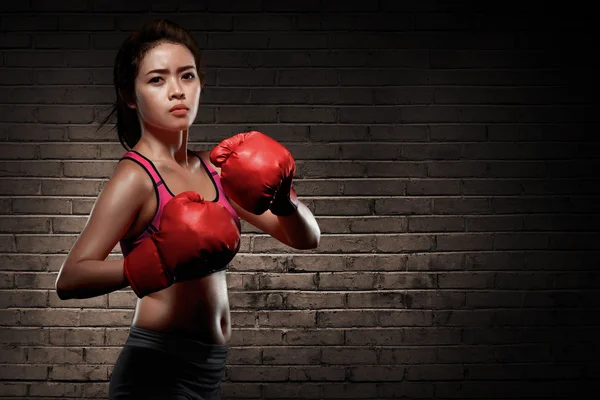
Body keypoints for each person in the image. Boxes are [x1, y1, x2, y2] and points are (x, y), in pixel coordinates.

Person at [54, 18, 320, 400]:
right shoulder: (137, 177)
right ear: (131, 95)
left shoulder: (216, 170)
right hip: (156, 371)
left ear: (200, 84)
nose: (177, 91)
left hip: (209, 370)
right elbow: (70, 279)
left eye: (187, 76)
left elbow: (307, 238)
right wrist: (156, 262)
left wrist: (283, 200)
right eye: (157, 79)